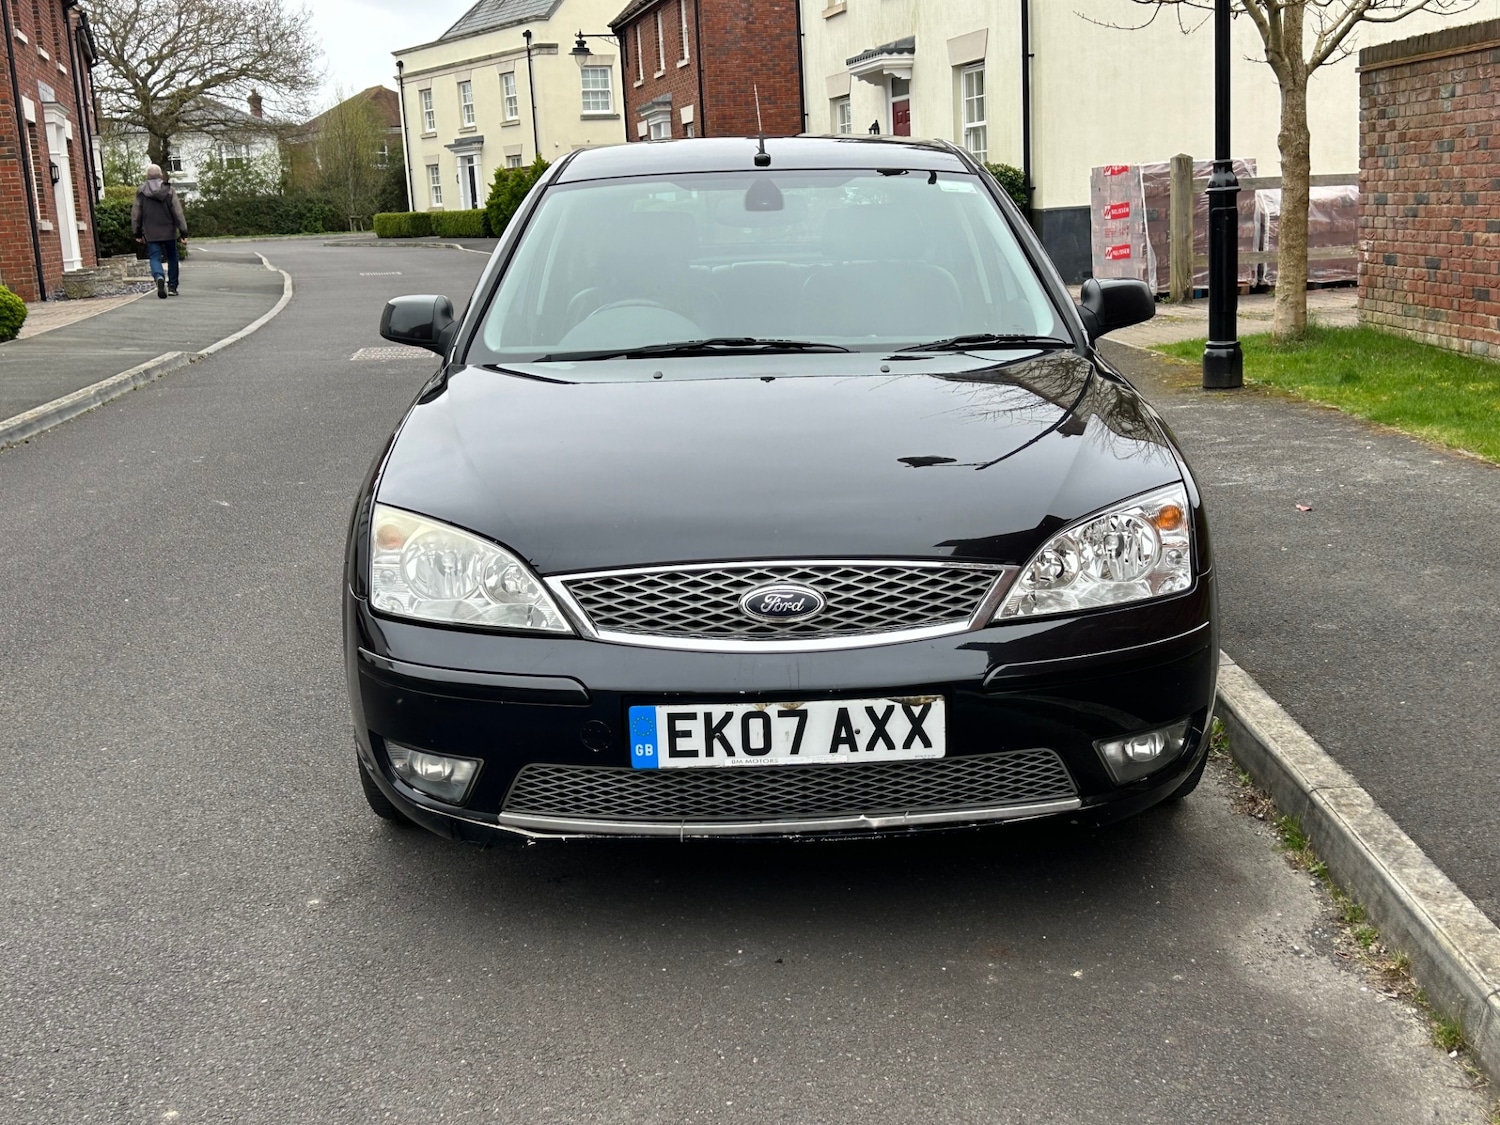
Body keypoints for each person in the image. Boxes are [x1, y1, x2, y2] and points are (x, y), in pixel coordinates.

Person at [131, 163, 189, 299]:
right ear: (161, 176)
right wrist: (183, 231)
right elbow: (177, 212)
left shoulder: (141, 191)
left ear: (147, 176)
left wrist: (137, 233)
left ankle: (158, 276)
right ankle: (173, 287)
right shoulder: (169, 190)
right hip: (169, 230)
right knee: (172, 257)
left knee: (155, 257)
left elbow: (136, 214)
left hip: (151, 232)